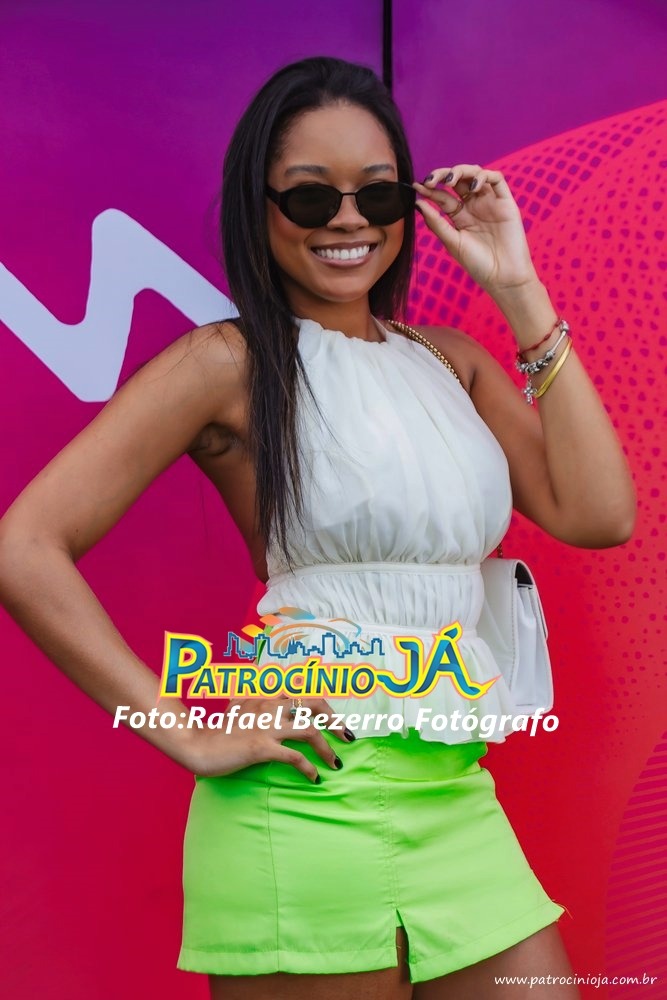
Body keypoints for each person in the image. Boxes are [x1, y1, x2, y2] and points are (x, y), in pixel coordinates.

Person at [0, 56, 635, 1000]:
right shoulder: (226, 363)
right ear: (258, 208)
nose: (347, 222)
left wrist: (517, 288)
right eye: (309, 198)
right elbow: (25, 547)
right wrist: (181, 731)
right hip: (305, 797)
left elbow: (598, 514)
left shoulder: (449, 363)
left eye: (375, 196)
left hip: (454, 792)